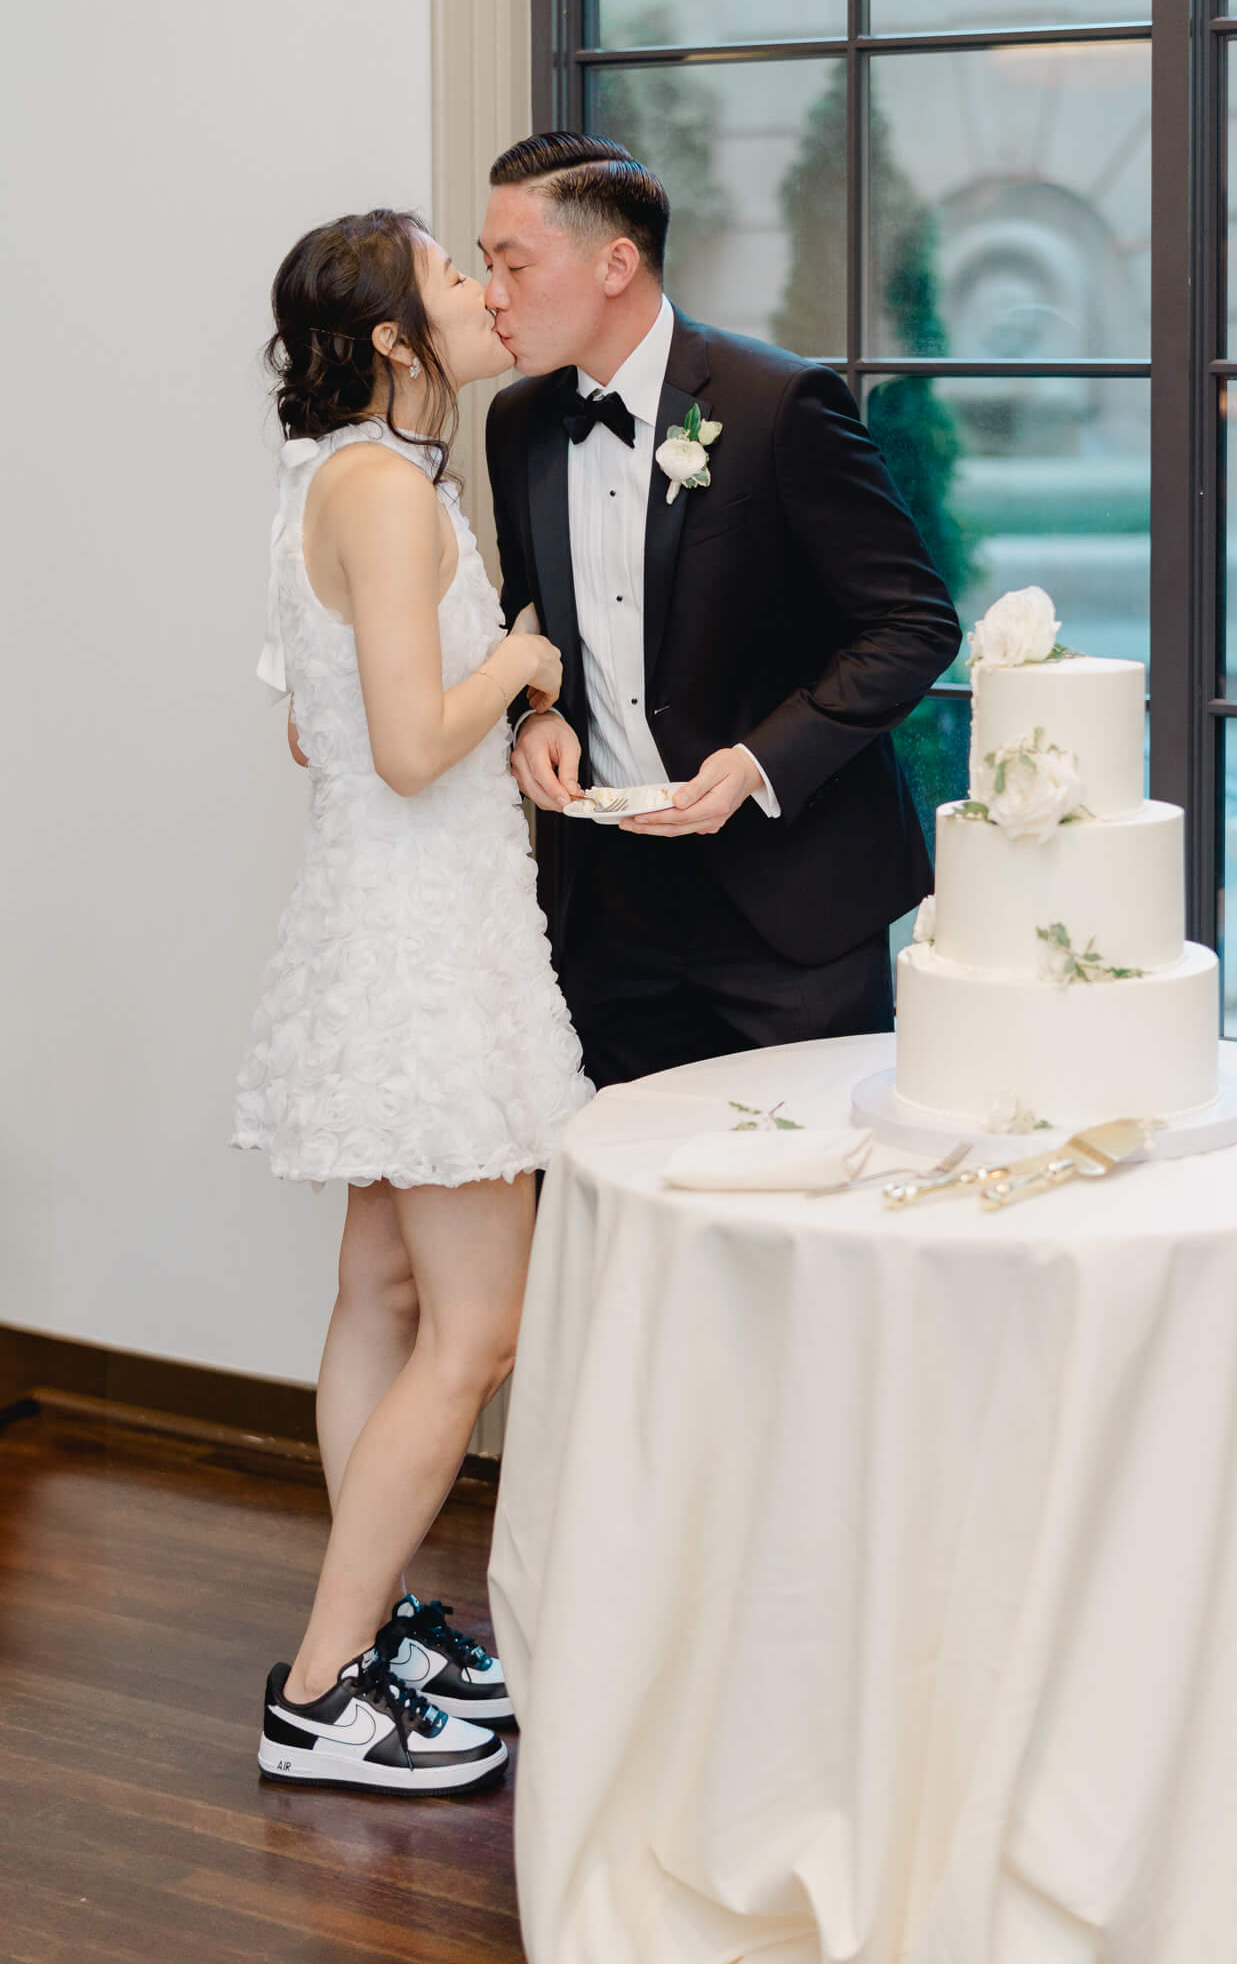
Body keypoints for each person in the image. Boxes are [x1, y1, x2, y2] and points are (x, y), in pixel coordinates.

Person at [232, 209, 592, 1795]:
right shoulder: (386, 492)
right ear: (395, 338)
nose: (484, 294)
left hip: (385, 921)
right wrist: (515, 665)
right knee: (480, 1327)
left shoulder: (334, 480)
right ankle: (319, 1690)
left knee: (383, 1302)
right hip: (425, 948)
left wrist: (476, 678)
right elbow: (394, 744)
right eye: (458, 277)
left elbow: (315, 736)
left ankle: (366, 1639)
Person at [480, 132, 962, 1090]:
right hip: (608, 908)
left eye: (514, 264)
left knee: (809, 1199)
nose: (491, 293)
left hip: (792, 903)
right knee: (637, 1199)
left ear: (616, 263)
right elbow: (526, 617)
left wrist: (753, 765)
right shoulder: (518, 421)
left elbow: (912, 624)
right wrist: (533, 713)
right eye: (486, 265)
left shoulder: (780, 403)